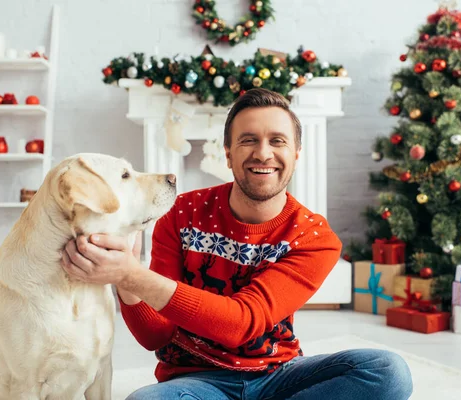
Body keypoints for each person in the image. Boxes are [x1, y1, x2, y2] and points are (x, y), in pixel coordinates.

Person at [61, 88, 413, 399]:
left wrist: (132, 275)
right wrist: (125, 281)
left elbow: (242, 323)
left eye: (277, 141)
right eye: (248, 140)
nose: (263, 153)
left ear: (296, 153)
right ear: (227, 153)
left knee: (387, 371)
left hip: (279, 377)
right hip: (195, 382)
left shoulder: (313, 236)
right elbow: (157, 337)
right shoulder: (181, 212)